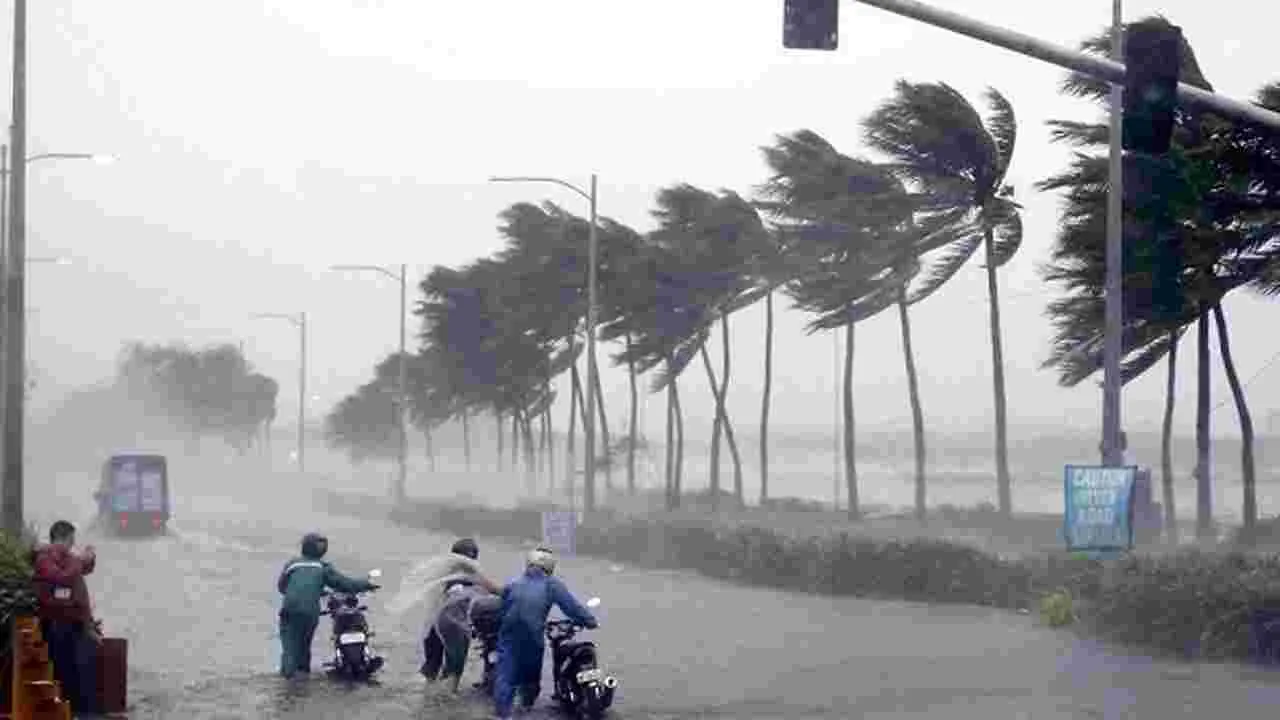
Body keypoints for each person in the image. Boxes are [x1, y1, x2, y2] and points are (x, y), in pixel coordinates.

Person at [493, 546, 598, 720]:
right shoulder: (551, 584)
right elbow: (572, 607)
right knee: (531, 677)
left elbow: (501, 610)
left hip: (508, 636)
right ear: (549, 566)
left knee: (505, 677)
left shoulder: (513, 583)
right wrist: (590, 621)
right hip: (532, 637)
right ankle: (524, 710)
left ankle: (503, 715)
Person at [276, 532, 379, 678]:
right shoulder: (322, 567)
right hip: (309, 613)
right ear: (322, 551)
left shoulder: (292, 564)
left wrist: (315, 590)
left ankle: (287, 679)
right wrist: (365, 584)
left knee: (289, 648)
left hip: (289, 611)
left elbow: (282, 587)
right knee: (304, 646)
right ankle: (302, 677)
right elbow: (344, 584)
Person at [32, 520, 100, 715]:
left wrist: (89, 557)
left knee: (79, 671)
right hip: (57, 623)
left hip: (75, 623)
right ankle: (69, 712)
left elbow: (84, 568)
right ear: (60, 538)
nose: (72, 545)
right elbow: (61, 578)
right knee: (65, 672)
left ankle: (81, 712)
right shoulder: (44, 559)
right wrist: (80, 561)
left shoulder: (66, 557)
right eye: (70, 540)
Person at [418, 538, 501, 689]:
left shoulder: (443, 570)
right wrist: (511, 592)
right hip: (453, 625)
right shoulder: (469, 571)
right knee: (453, 668)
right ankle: (446, 700)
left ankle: (427, 697)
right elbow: (493, 589)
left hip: (433, 624)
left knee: (432, 666)